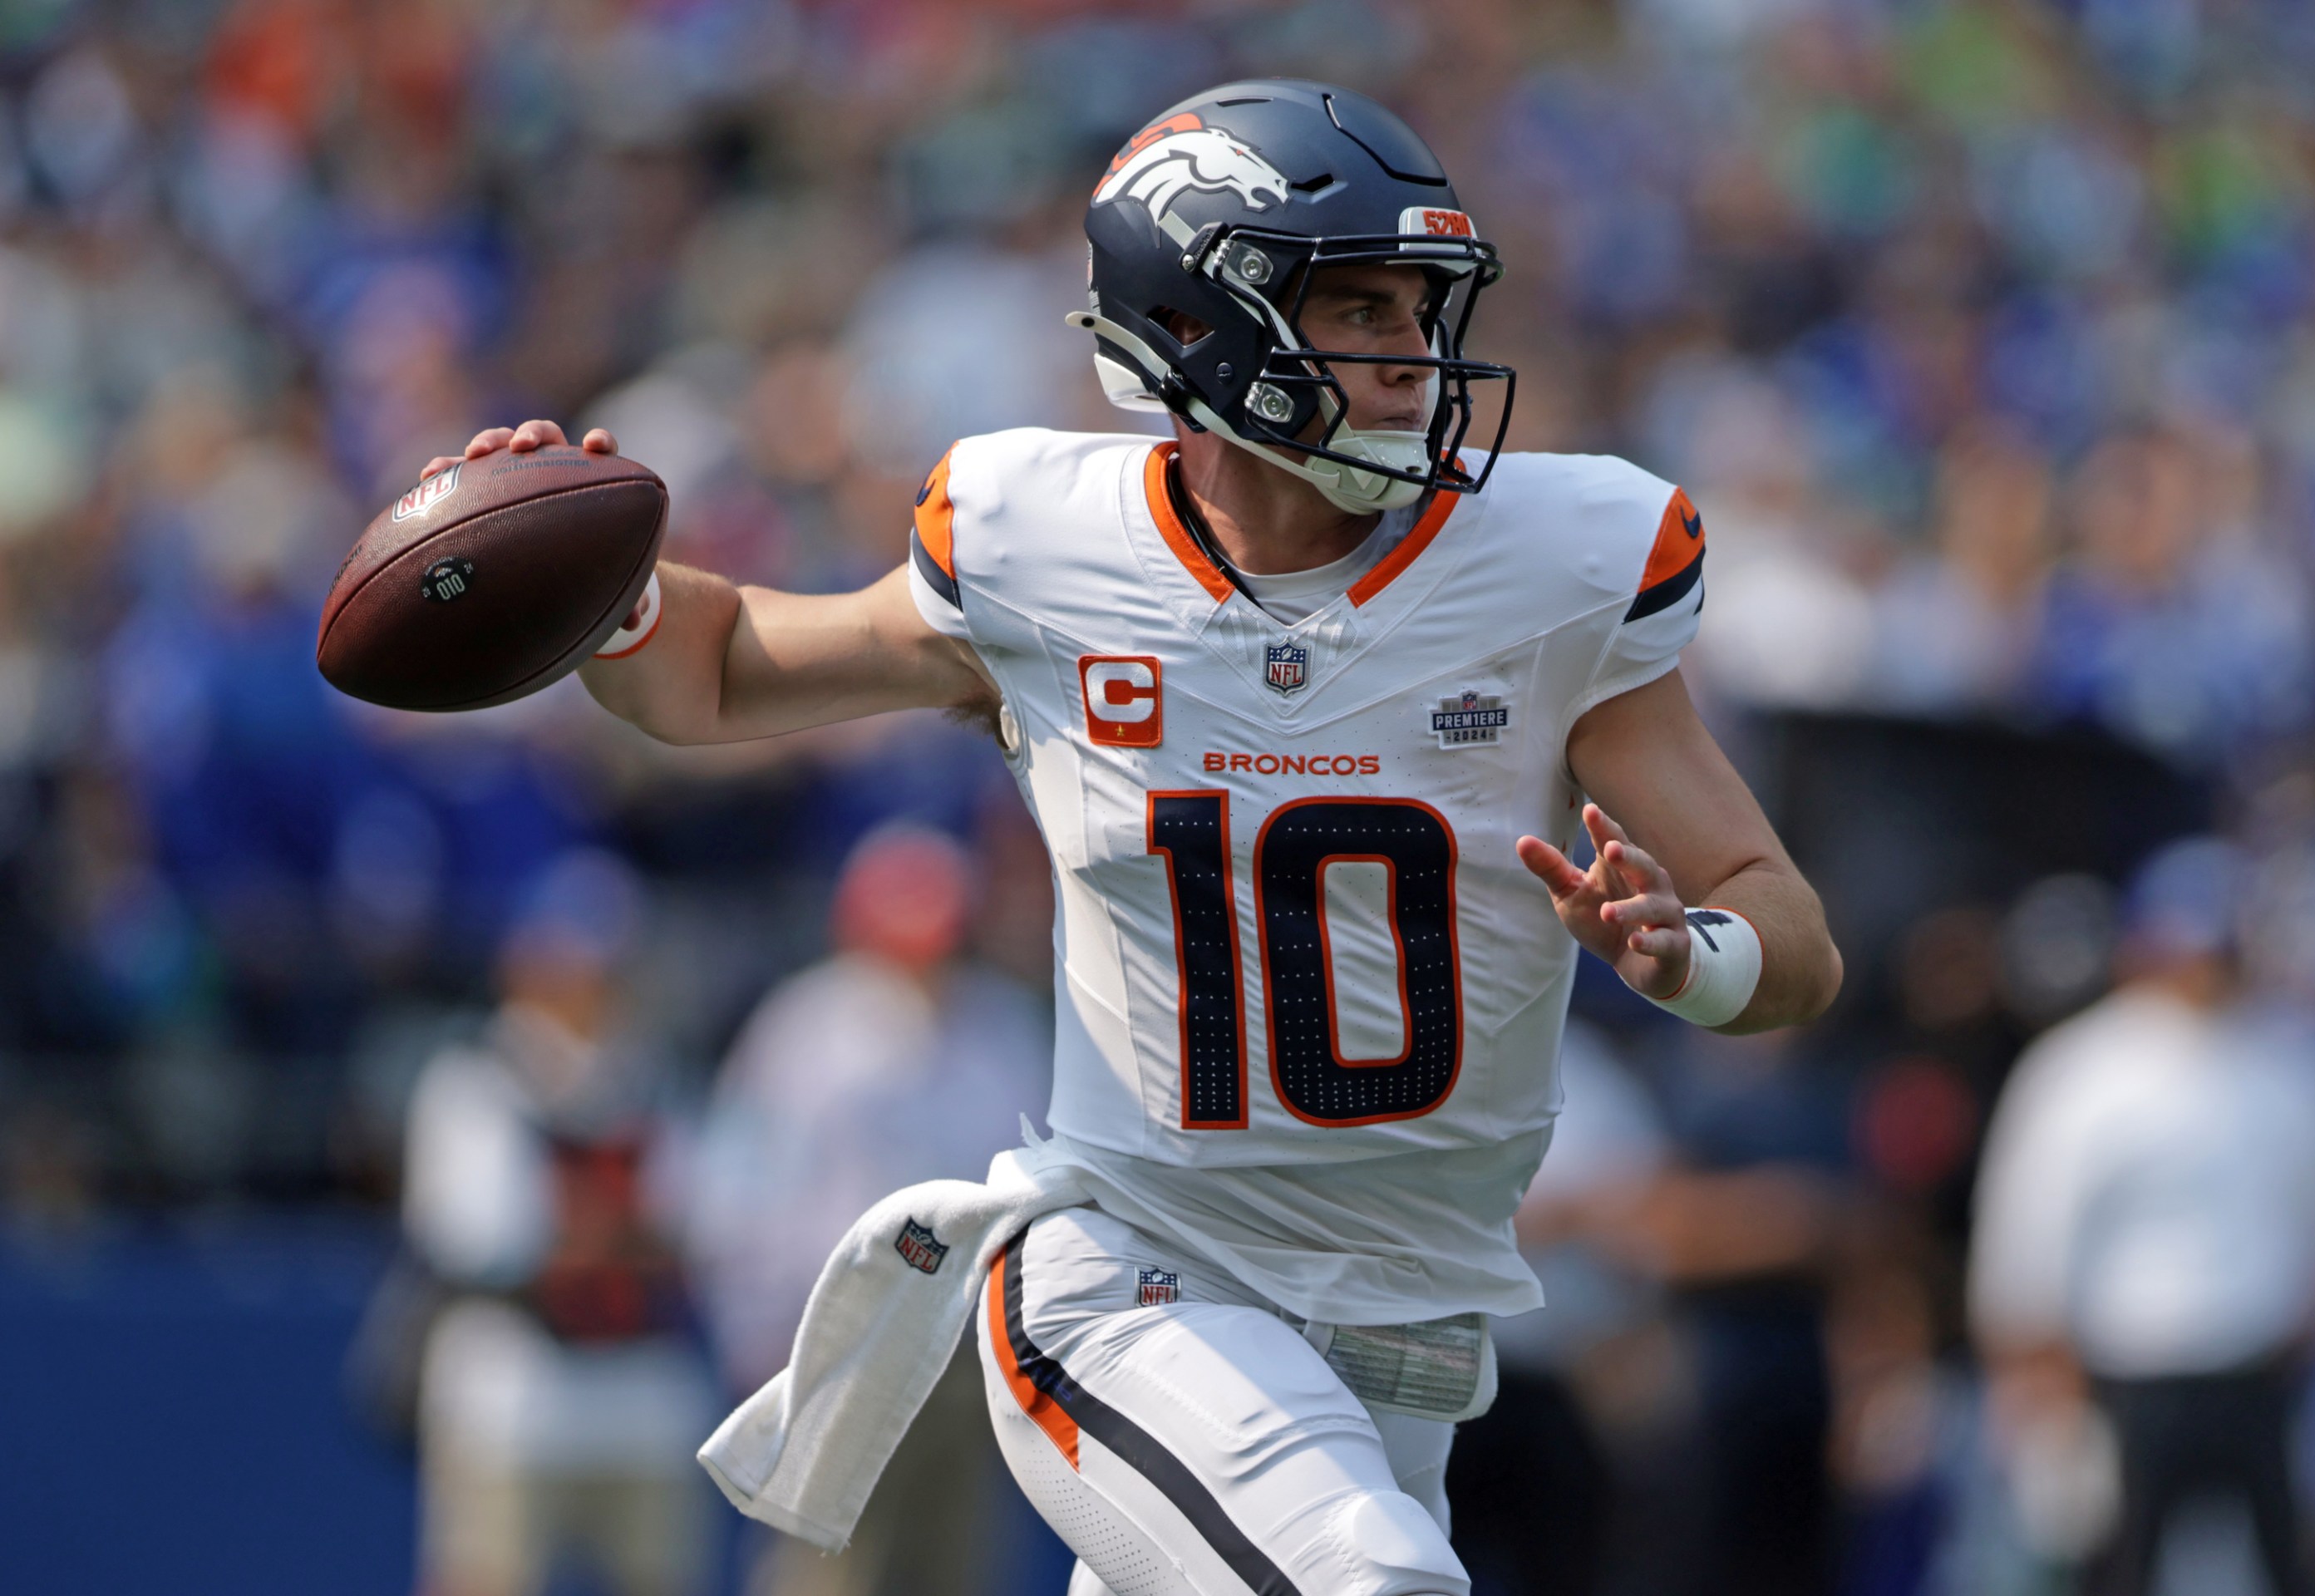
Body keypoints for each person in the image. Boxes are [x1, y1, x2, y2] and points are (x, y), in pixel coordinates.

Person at [423, 79, 1840, 1596]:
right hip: (1134, 1290)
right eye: (1356, 307)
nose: (1412, 356)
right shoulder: (1049, 548)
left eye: (1422, 309)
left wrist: (1687, 958)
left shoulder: (1546, 574)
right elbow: (716, 670)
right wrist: (588, 573)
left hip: (1409, 1341)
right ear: (1198, 325)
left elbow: (1793, 941)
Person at [1969, 837, 2315, 1596]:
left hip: (2262, 1377)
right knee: (2119, 1573)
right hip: (2125, 1382)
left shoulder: (2300, 1060)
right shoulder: (2080, 1071)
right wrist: (2040, 1399)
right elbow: (2026, 1243)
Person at [685, 822, 1052, 1596]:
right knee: (827, 1562)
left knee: (953, 1558)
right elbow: (738, 1186)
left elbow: (1032, 1185)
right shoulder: (806, 1028)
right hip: (838, 1332)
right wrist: (754, 1324)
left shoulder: (998, 1027)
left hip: (961, 1341)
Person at [402, 851, 717, 1596]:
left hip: (645, 1405)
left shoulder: (662, 1075)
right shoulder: (471, 1081)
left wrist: (607, 1238)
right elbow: (479, 1242)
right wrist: (616, 1237)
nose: (590, 986)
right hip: (509, 1404)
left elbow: (702, 1226)